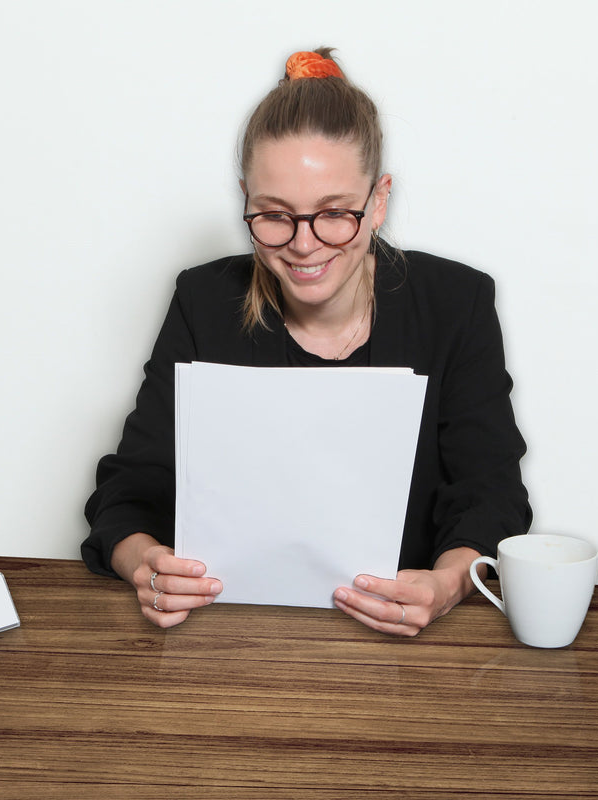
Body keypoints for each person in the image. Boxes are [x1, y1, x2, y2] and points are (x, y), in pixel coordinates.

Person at [82, 48, 532, 636]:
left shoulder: (455, 302)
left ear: (378, 202)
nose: (303, 244)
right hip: (230, 634)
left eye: (334, 213)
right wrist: (145, 564)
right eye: (273, 214)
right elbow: (125, 493)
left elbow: (491, 493)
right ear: (245, 198)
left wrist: (446, 586)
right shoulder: (203, 300)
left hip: (402, 644)